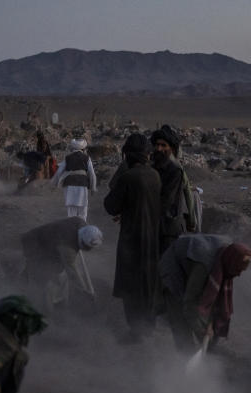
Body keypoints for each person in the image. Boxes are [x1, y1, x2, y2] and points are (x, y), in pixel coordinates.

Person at [103, 133, 162, 343]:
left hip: (132, 240)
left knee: (131, 286)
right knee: (148, 284)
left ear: (128, 154)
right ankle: (148, 327)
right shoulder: (155, 175)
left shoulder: (129, 176)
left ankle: (137, 332)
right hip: (152, 239)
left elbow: (110, 206)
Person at [159, 234, 251, 352]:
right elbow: (189, 304)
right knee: (179, 315)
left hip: (193, 265)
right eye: (238, 269)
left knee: (205, 321)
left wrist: (210, 325)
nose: (239, 274)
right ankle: (186, 356)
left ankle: (208, 351)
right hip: (175, 267)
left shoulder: (226, 256)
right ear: (231, 262)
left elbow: (213, 300)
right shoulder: (203, 266)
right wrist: (203, 331)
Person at [20, 218, 102, 309]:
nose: (88, 249)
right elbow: (72, 272)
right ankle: (32, 303)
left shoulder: (80, 222)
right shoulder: (68, 248)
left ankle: (23, 281)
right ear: (82, 240)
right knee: (43, 276)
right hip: (33, 245)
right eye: (86, 246)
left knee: (57, 268)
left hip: (47, 242)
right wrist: (84, 291)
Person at [150, 125, 193, 255]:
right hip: (154, 226)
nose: (159, 149)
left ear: (172, 148)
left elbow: (169, 199)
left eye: (164, 145)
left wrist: (191, 220)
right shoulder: (152, 167)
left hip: (168, 227)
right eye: (157, 145)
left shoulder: (175, 170)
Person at [50, 139, 97, 221]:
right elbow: (92, 174)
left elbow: (59, 171)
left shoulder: (68, 158)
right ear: (83, 149)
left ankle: (71, 230)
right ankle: (82, 229)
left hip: (69, 186)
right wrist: (93, 187)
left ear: (73, 148)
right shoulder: (86, 158)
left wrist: (54, 184)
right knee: (83, 212)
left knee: (71, 212)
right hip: (82, 185)